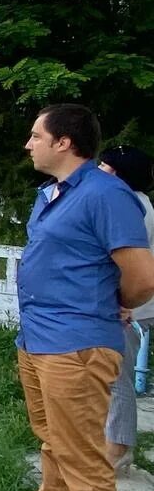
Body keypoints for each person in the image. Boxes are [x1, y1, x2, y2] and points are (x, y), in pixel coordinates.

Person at [0, 105, 154, 491]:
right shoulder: (52, 194)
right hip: (38, 338)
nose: (28, 144)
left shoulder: (107, 194)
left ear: (64, 142)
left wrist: (118, 303)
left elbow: (141, 278)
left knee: (84, 461)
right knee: (54, 441)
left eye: (35, 136)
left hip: (76, 346)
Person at [99, 145, 154, 473]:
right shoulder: (142, 205)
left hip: (132, 307)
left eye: (105, 166)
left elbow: (130, 267)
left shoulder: (134, 210)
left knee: (116, 377)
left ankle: (118, 451)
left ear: (119, 175)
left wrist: (121, 303)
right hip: (137, 304)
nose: (99, 171)